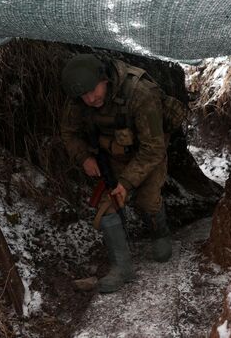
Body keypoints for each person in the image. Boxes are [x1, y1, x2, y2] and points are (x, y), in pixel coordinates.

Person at [60, 53, 172, 293]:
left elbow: (153, 148)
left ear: (105, 79)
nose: (90, 99)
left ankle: (160, 232)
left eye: (93, 91)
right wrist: (85, 157)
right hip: (113, 156)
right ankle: (122, 267)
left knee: (147, 201)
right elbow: (68, 133)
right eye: (84, 95)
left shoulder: (140, 93)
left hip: (148, 153)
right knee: (107, 206)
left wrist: (126, 182)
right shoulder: (79, 98)